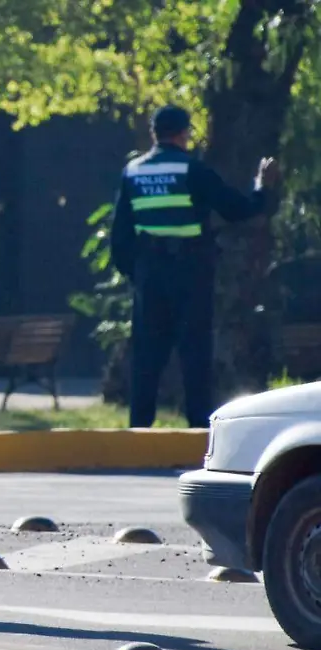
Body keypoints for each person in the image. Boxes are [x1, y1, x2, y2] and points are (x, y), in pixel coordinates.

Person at [111, 104, 279, 428]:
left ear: (153, 134)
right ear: (184, 134)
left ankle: (138, 431)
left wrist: (139, 274)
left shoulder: (133, 172)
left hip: (150, 274)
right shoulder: (192, 170)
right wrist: (262, 187)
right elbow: (236, 209)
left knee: (147, 358)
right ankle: (198, 432)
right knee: (195, 356)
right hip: (190, 273)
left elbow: (120, 237)